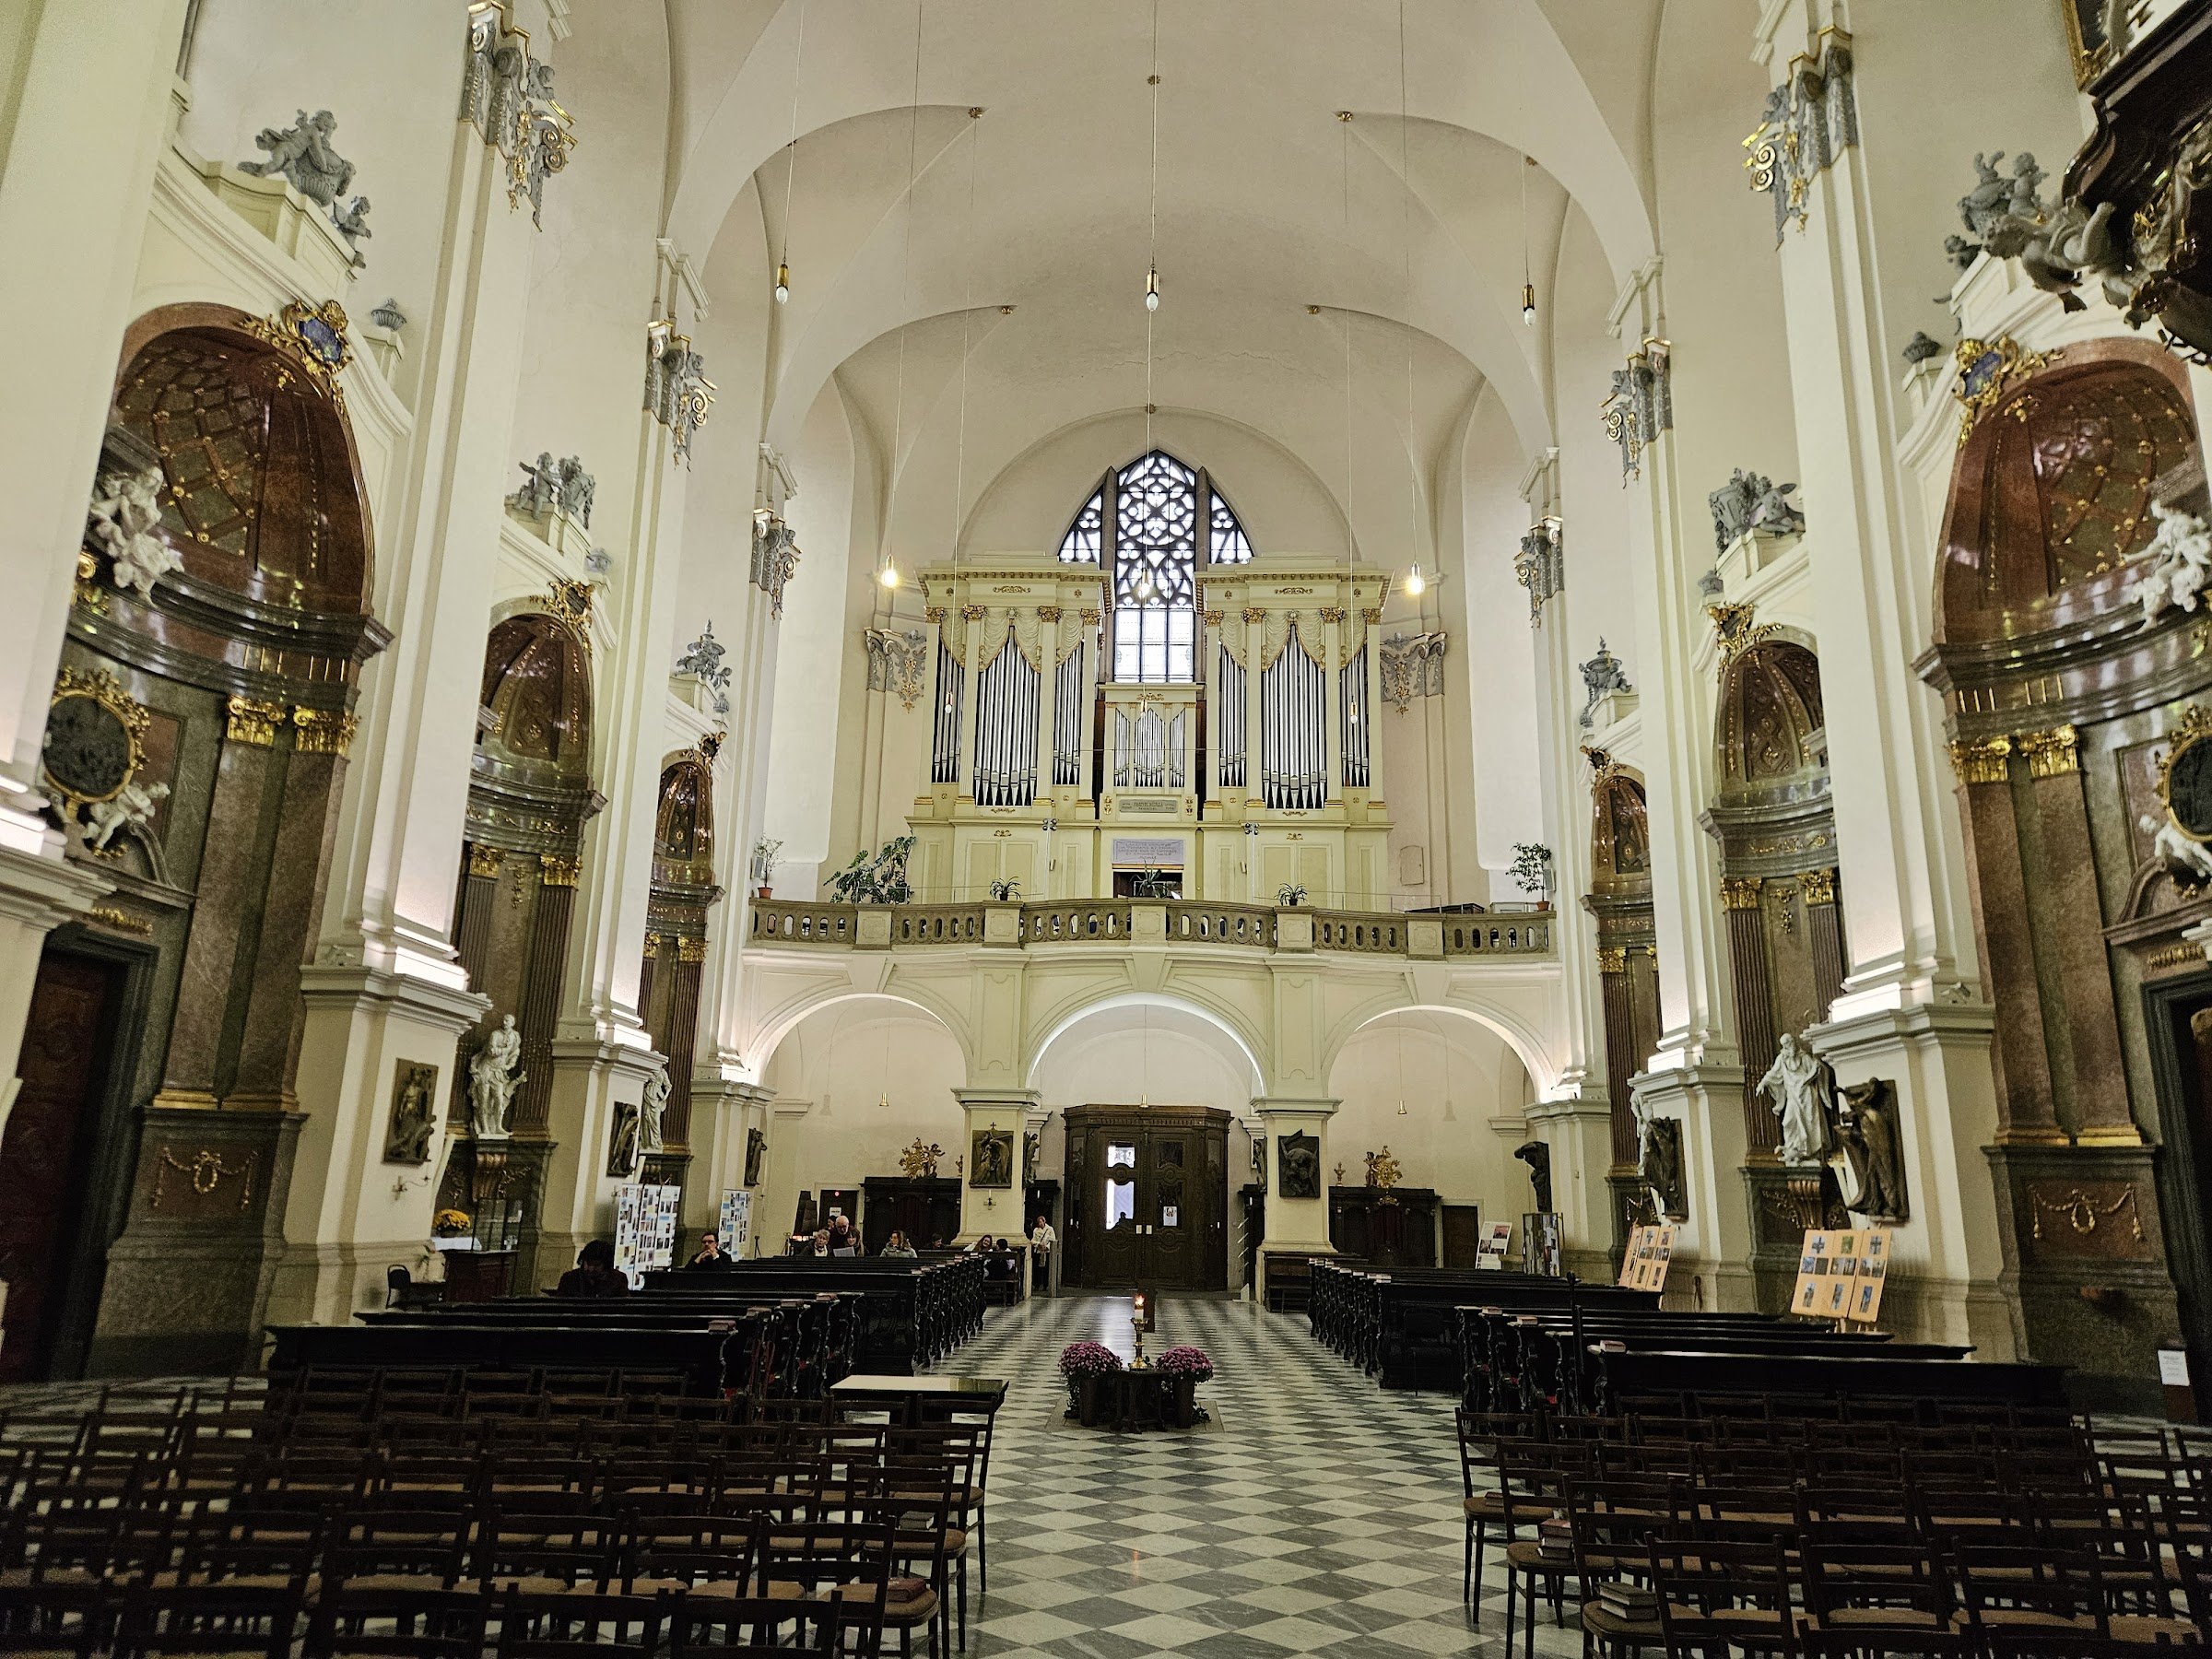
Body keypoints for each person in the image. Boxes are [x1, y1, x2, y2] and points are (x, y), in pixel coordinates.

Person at [555, 1239, 628, 1298]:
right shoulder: (570, 1278)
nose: (591, 1268)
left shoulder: (617, 1279)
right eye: (588, 1264)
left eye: (596, 1265)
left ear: (606, 1265)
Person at [1030, 1214, 1057, 1296]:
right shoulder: (1036, 1230)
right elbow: (1033, 1240)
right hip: (1038, 1251)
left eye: (1041, 1222)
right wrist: (1038, 1244)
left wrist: (1047, 1247)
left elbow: (1053, 1239)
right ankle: (1036, 1284)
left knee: (1046, 1269)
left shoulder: (1050, 1229)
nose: (1040, 1224)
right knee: (1037, 1269)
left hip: (1046, 1252)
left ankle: (1045, 1285)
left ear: (1044, 1222)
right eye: (1039, 1223)